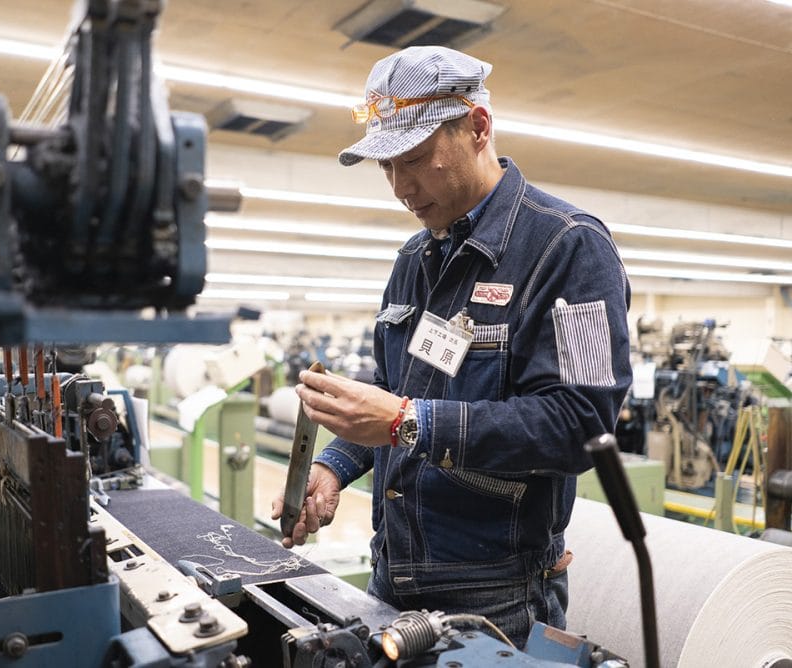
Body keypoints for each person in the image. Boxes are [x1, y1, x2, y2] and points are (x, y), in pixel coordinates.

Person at [270, 45, 632, 648]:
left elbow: (580, 425)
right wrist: (333, 468)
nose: (400, 188)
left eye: (413, 160)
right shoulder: (415, 258)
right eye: (385, 168)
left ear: (479, 127)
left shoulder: (571, 249)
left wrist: (407, 422)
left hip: (500, 601)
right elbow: (393, 397)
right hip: (394, 576)